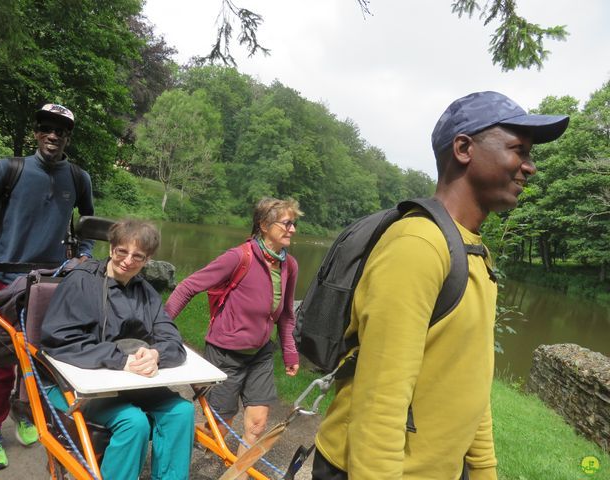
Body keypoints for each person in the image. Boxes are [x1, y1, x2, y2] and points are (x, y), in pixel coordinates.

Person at [312, 91, 570, 480]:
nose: (529, 167)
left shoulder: (474, 252)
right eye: (519, 150)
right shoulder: (418, 246)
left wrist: (483, 470)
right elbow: (380, 403)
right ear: (464, 148)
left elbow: (471, 381)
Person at [0, 103, 95, 470]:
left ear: (68, 137)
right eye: (46, 128)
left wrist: (83, 256)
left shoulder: (78, 178)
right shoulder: (9, 169)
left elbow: (87, 225)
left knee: (40, 360)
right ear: (37, 132)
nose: (53, 135)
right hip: (2, 279)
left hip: (48, 284)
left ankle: (24, 412)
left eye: (61, 130)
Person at [40, 219, 194, 480]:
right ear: (111, 248)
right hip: (76, 387)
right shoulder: (81, 281)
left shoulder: (146, 292)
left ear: (147, 260)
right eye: (122, 251)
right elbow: (58, 339)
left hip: (129, 384)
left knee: (182, 411)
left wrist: (157, 354)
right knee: (133, 423)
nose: (128, 260)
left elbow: (171, 337)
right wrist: (120, 360)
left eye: (138, 256)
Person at [165, 197, 302, 473]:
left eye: (294, 223)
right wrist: (160, 326)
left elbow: (287, 313)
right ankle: (173, 440)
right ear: (264, 225)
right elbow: (189, 286)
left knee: (257, 423)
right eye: (287, 223)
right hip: (225, 351)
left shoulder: (290, 265)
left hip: (261, 353)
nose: (293, 229)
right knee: (219, 426)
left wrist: (289, 350)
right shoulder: (239, 257)